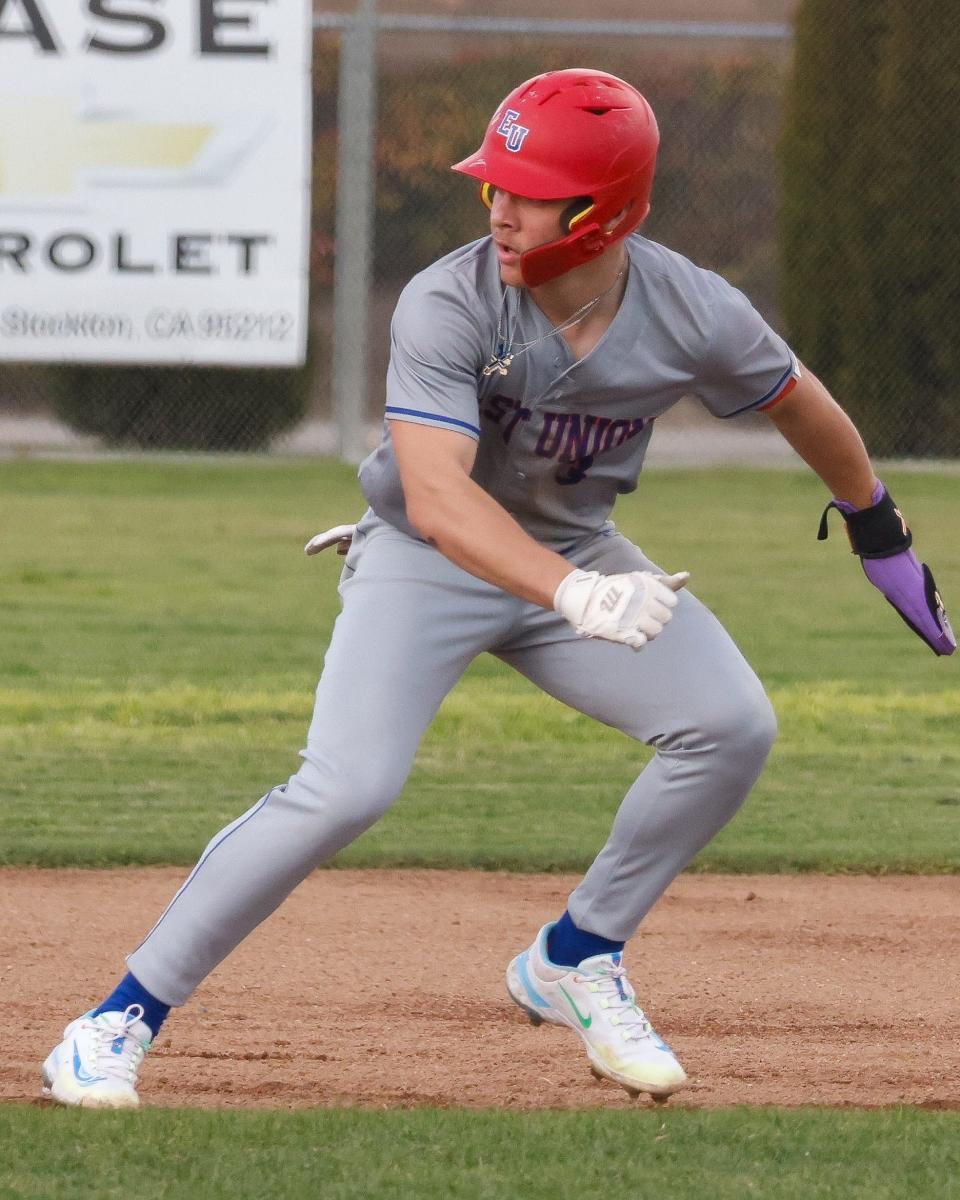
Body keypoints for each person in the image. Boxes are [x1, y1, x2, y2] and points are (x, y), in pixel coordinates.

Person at [41, 68, 954, 1109]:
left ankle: (576, 952)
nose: (501, 209)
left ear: (604, 209)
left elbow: (800, 402)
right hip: (426, 561)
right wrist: (574, 593)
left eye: (531, 191)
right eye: (496, 185)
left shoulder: (690, 306)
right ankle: (114, 1020)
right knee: (347, 787)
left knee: (730, 725)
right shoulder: (449, 299)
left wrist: (878, 525)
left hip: (576, 550)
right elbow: (434, 498)